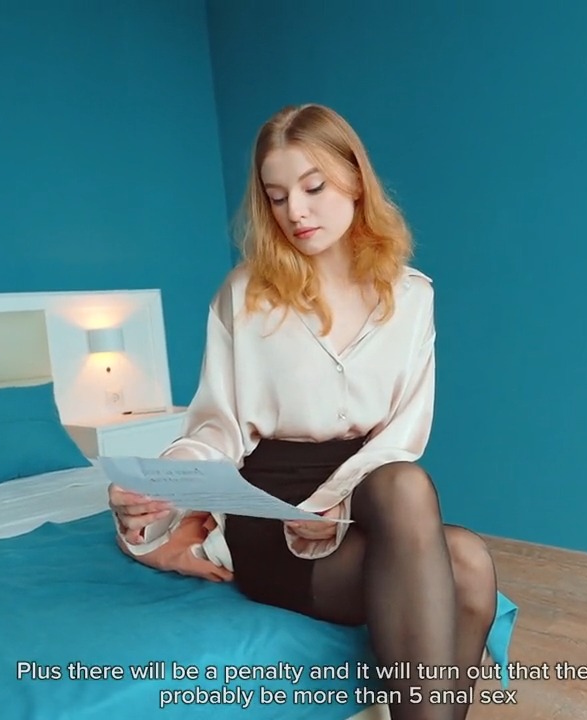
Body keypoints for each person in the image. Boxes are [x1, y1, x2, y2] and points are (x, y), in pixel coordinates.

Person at [108, 103, 498, 720]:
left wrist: (336, 502)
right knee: (465, 563)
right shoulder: (244, 294)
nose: (295, 211)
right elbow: (217, 429)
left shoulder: (412, 295)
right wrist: (161, 485)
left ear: (355, 180)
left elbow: (403, 432)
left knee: (414, 495)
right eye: (277, 196)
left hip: (367, 494)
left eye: (314, 188)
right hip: (270, 509)